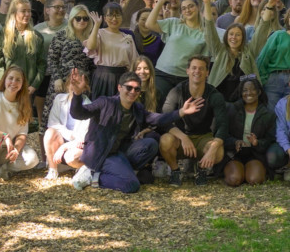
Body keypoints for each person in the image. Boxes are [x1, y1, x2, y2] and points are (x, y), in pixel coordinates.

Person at [69, 70, 204, 192]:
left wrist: (181, 112)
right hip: (102, 154)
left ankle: (123, 171)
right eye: (129, 87)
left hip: (120, 152)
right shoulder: (105, 103)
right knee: (131, 185)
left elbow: (158, 119)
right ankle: (93, 176)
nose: (132, 92)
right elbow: (79, 113)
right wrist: (77, 94)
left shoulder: (137, 109)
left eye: (137, 89)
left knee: (151, 143)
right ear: (119, 87)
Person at [158, 56, 228, 186]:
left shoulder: (214, 95)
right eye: (194, 68)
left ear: (207, 73)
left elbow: (223, 125)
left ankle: (201, 170)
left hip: (203, 137)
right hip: (180, 138)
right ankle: (175, 171)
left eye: (201, 69)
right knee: (165, 141)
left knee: (218, 151)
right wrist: (183, 137)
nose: (197, 71)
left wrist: (213, 148)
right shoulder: (177, 91)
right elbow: (164, 119)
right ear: (187, 71)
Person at [202, 0, 279, 100]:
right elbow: (209, 27)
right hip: (219, 98)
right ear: (226, 36)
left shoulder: (249, 51)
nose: (234, 37)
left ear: (243, 38)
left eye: (238, 35)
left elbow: (262, 29)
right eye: (231, 34)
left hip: (243, 100)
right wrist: (207, 3)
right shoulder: (219, 50)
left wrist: (269, 6)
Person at [146, 0, 208, 102]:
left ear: (198, 7)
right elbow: (149, 24)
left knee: (176, 110)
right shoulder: (175, 23)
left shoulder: (204, 33)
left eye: (191, 6)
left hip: (184, 78)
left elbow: (203, 59)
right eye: (184, 8)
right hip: (163, 73)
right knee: (155, 103)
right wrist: (160, 2)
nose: (187, 10)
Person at [222, 76, 278, 186]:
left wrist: (257, 143)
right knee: (234, 179)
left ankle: (249, 170)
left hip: (255, 154)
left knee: (255, 180)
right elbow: (222, 134)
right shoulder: (232, 109)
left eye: (252, 89)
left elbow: (270, 139)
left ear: (259, 92)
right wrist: (235, 142)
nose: (249, 93)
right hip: (234, 153)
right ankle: (238, 170)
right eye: (245, 90)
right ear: (241, 93)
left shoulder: (268, 114)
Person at [45, 4, 96, 119]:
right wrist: (57, 78)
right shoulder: (62, 35)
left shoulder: (91, 38)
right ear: (72, 19)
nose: (82, 21)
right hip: (62, 81)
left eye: (85, 18)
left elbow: (93, 64)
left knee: (77, 116)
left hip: (82, 83)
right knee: (54, 115)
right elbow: (52, 58)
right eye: (78, 18)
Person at [0, 0, 47, 101]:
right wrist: (3, 83)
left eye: (29, 11)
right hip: (7, 88)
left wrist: (34, 85)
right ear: (14, 13)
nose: (27, 14)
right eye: (23, 11)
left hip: (28, 89)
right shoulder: (3, 35)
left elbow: (41, 63)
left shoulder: (37, 37)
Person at [257, 4, 290, 110]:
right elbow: (263, 59)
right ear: (287, 19)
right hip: (274, 79)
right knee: (271, 114)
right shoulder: (278, 35)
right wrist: (264, 80)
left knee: (289, 113)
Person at [44, 70, 91, 180]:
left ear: (84, 87)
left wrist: (64, 147)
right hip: (64, 139)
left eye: (78, 82)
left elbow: (83, 138)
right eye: (72, 81)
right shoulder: (59, 99)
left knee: (71, 157)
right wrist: (68, 135)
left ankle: (82, 167)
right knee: (49, 133)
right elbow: (53, 123)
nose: (73, 85)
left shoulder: (88, 105)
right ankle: (52, 169)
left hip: (78, 145)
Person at [84, 4, 138, 99]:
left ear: (122, 17)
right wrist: (96, 25)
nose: (114, 18)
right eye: (110, 15)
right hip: (102, 77)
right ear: (105, 18)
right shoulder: (100, 33)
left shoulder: (127, 38)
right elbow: (90, 46)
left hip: (122, 77)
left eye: (117, 15)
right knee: (99, 108)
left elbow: (134, 61)